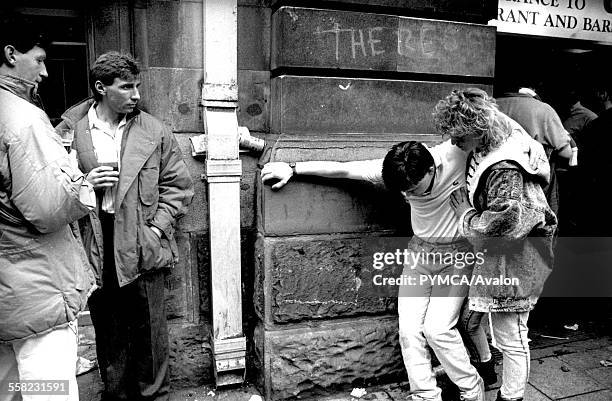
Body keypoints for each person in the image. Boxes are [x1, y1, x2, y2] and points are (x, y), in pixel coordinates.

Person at [262, 140, 492, 401]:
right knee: (408, 331)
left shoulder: (456, 154)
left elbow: (492, 124)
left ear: (430, 171)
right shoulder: (394, 171)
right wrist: (292, 168)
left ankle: (472, 388)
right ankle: (426, 395)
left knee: (438, 330)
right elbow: (344, 169)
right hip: (420, 257)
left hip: (457, 256)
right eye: (403, 190)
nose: (408, 195)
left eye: (413, 189)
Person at [57, 52, 194, 401]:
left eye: (137, 86)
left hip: (142, 241)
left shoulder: (155, 130)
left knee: (151, 336)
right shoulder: (69, 132)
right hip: (96, 241)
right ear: (101, 88)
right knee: (109, 333)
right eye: (126, 87)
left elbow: (179, 187)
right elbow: (52, 188)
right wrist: (85, 182)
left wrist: (157, 229)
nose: (135, 95)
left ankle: (155, 397)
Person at [0, 13, 95, 401]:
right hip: (36, 290)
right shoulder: (21, 117)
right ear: (10, 54)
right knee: (47, 391)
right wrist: (80, 184)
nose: (44, 72)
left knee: (9, 389)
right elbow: (48, 208)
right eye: (38, 60)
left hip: (9, 292)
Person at [441, 88, 556, 401]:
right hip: (505, 257)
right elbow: (492, 114)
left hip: (516, 259)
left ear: (477, 130)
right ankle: (488, 370)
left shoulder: (504, 168)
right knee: (482, 322)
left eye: (458, 135)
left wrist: (464, 211)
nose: (453, 143)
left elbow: (499, 225)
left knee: (512, 337)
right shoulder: (498, 133)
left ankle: (511, 397)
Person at [495, 85, 573, 216]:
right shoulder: (544, 109)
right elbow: (567, 153)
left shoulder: (493, 106)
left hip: (497, 179)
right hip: (535, 184)